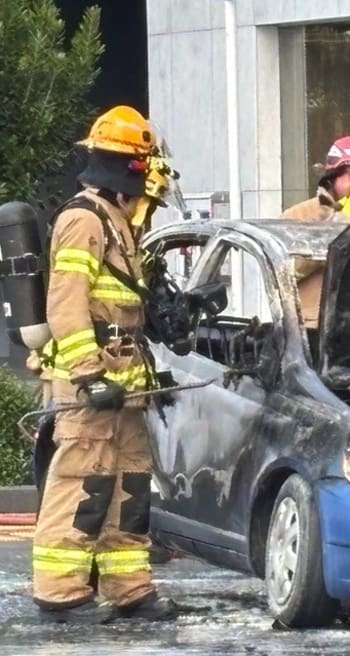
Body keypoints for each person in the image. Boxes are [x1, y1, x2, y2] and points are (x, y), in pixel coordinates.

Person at [33, 106, 177, 623]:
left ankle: (129, 587)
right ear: (126, 166)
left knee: (130, 487)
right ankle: (60, 592)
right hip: (89, 385)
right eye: (145, 165)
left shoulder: (121, 220)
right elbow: (66, 304)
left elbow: (125, 304)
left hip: (125, 386)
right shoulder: (83, 218)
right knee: (82, 482)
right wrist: (88, 375)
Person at [281, 134, 350, 330]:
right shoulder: (299, 215)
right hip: (311, 332)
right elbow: (283, 271)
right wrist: (340, 227)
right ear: (333, 175)